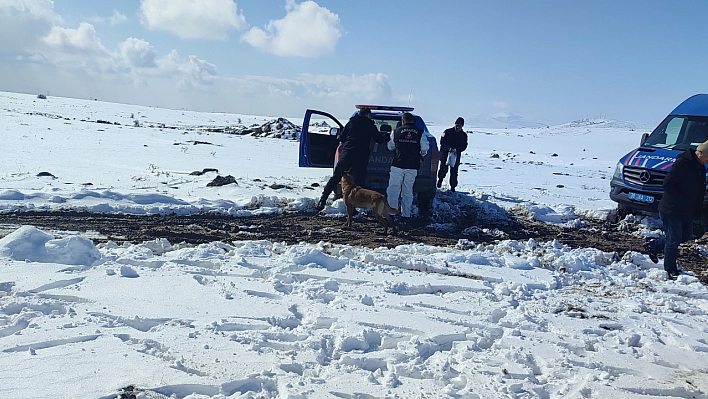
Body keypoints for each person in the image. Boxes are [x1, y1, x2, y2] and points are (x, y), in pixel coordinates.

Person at [645, 140, 708, 279]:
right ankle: (670, 269)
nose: (707, 160)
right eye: (707, 157)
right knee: (674, 239)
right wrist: (681, 199)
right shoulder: (683, 163)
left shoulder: (700, 167)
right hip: (672, 208)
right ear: (700, 152)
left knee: (685, 236)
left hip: (686, 210)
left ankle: (654, 246)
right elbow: (668, 183)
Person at [316, 107, 389, 211]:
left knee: (336, 177)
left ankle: (322, 200)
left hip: (347, 154)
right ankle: (360, 205)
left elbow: (342, 138)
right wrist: (388, 136)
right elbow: (379, 139)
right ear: (368, 115)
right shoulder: (369, 125)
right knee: (359, 181)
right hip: (361, 156)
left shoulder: (351, 123)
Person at [386, 112, 429, 219]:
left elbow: (390, 147)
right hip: (412, 166)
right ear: (413, 121)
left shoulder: (395, 132)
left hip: (397, 164)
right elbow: (424, 147)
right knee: (408, 191)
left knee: (393, 190)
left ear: (403, 121)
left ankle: (392, 213)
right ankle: (406, 214)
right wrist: (421, 155)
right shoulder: (420, 132)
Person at [437, 117, 468, 192]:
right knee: (443, 169)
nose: (458, 127)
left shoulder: (463, 135)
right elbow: (442, 142)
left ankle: (453, 187)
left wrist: (457, 150)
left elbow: (464, 146)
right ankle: (440, 180)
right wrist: (448, 148)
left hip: (455, 155)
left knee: (454, 172)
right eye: (457, 125)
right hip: (445, 153)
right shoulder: (447, 132)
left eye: (459, 126)